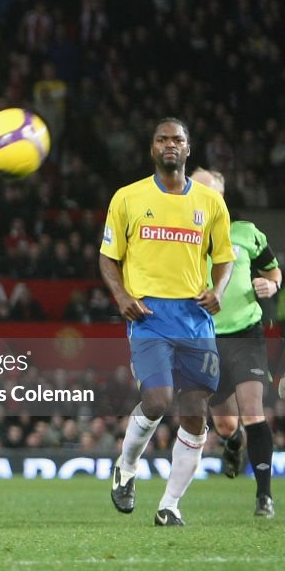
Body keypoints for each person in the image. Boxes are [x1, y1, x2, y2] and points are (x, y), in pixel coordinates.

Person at [100, 118, 234, 526]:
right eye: (162, 139)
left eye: (177, 139)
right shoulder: (128, 197)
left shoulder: (211, 203)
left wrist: (219, 290)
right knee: (157, 400)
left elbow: (226, 258)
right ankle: (126, 467)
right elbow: (108, 256)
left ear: (188, 148)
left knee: (195, 413)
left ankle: (170, 505)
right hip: (150, 315)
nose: (170, 145)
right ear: (152, 149)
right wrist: (122, 295)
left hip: (194, 318)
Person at [192, 167, 278, 517]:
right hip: (203, 338)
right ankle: (231, 442)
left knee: (253, 411)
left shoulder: (246, 234)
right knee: (226, 424)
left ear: (221, 197)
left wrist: (271, 285)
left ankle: (264, 496)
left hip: (245, 333)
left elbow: (272, 270)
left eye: (207, 191)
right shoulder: (181, 238)